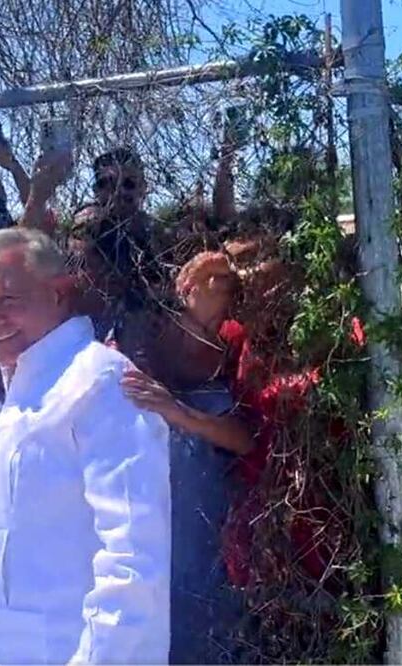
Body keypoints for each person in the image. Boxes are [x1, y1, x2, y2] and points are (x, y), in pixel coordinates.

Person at [0, 227, 172, 664]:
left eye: (7, 301)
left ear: (60, 293)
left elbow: (132, 558)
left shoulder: (99, 382)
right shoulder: (28, 379)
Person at [120, 251, 254, 664]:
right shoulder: (125, 392)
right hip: (137, 572)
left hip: (200, 571)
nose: (196, 346)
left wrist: (179, 414)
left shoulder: (211, 398)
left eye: (211, 334)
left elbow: (245, 439)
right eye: (185, 331)